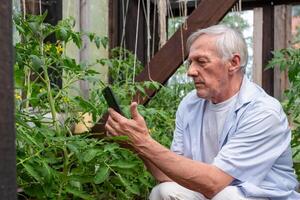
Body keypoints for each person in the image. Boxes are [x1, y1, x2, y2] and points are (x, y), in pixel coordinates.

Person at [105, 24, 300, 200]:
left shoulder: (263, 112)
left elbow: (214, 183)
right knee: (163, 191)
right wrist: (137, 144)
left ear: (233, 63)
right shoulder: (190, 104)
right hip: (213, 192)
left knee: (229, 197)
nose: (190, 71)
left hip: (254, 196)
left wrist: (144, 142)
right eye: (190, 62)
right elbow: (169, 174)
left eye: (201, 61)